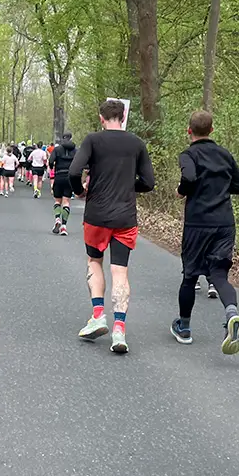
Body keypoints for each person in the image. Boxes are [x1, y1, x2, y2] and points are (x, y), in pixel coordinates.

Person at [69, 99, 156, 354]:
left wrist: (81, 192)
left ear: (101, 118)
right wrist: (130, 187)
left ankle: (98, 316)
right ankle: (119, 330)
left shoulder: (93, 141)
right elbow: (149, 182)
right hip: (125, 217)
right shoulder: (137, 144)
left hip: (96, 215)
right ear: (124, 115)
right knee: (121, 272)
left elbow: (74, 172)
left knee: (94, 262)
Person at [171, 110, 239, 354]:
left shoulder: (188, 154)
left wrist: (182, 190)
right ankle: (232, 314)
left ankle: (184, 328)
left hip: (198, 223)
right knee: (219, 275)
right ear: (212, 130)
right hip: (225, 223)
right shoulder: (225, 154)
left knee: (190, 275)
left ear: (188, 130)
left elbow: (190, 177)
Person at [49, 133, 77, 235]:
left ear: (63, 138)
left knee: (57, 201)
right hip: (69, 177)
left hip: (59, 176)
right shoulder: (75, 150)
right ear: (71, 138)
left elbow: (51, 161)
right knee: (66, 202)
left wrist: (52, 167)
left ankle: (57, 219)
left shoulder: (57, 150)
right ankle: (64, 226)